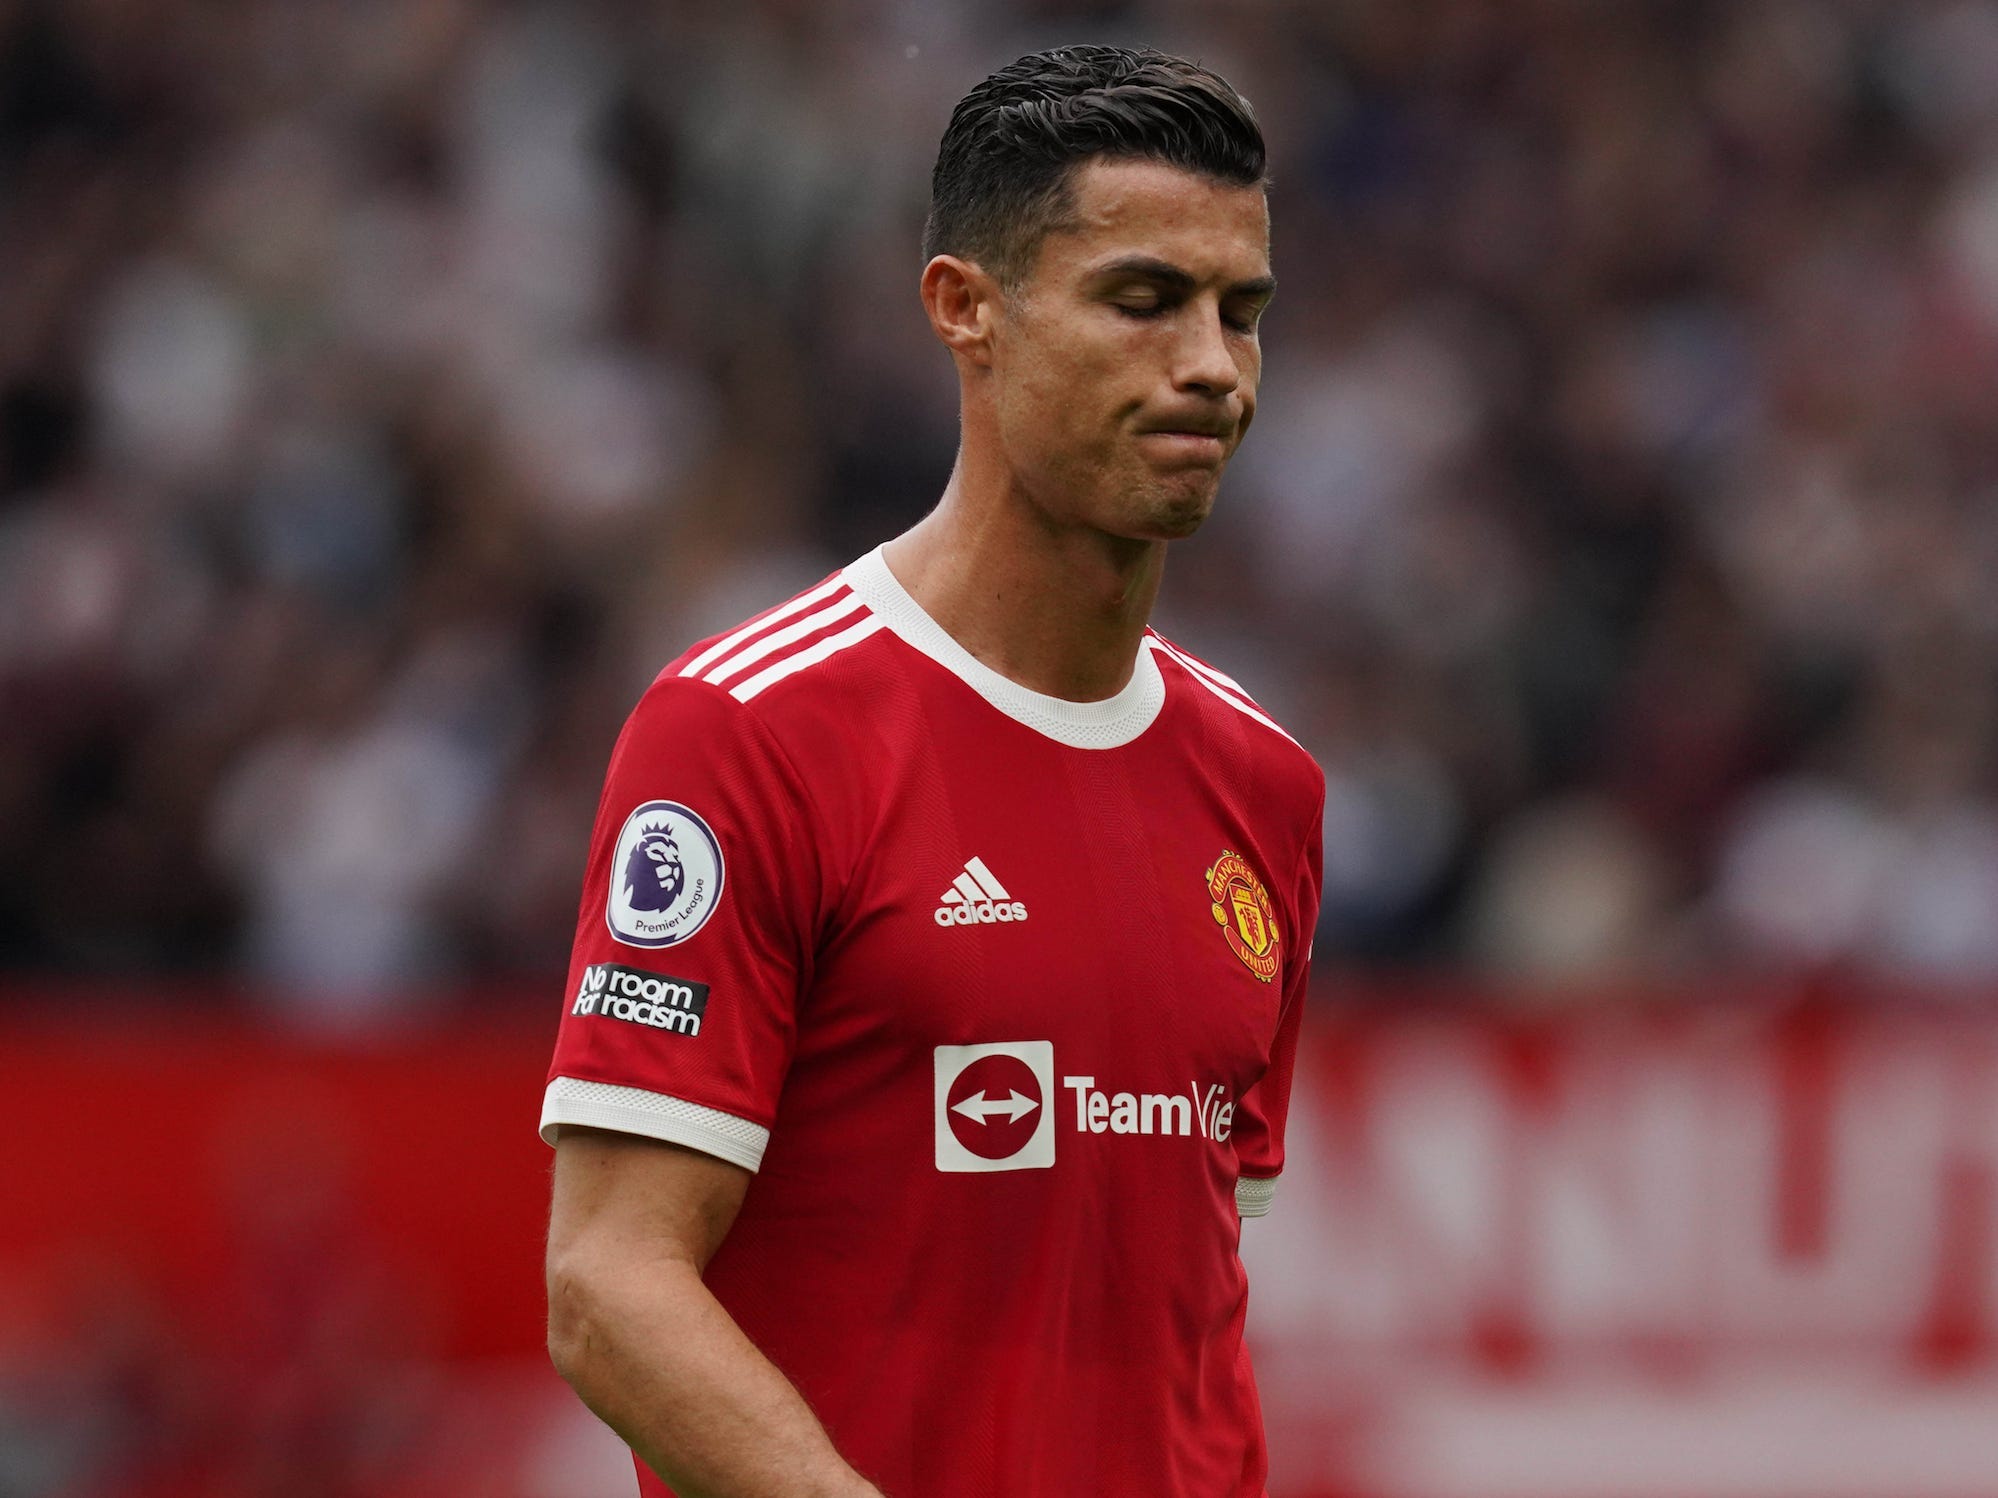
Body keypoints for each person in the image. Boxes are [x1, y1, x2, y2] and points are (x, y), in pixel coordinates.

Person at [541, 44, 1324, 1498]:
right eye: (1143, 299)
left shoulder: (1265, 783)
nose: (1211, 363)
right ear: (967, 310)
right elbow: (607, 1284)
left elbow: (1174, 1316)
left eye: (1242, 311)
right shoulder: (749, 730)